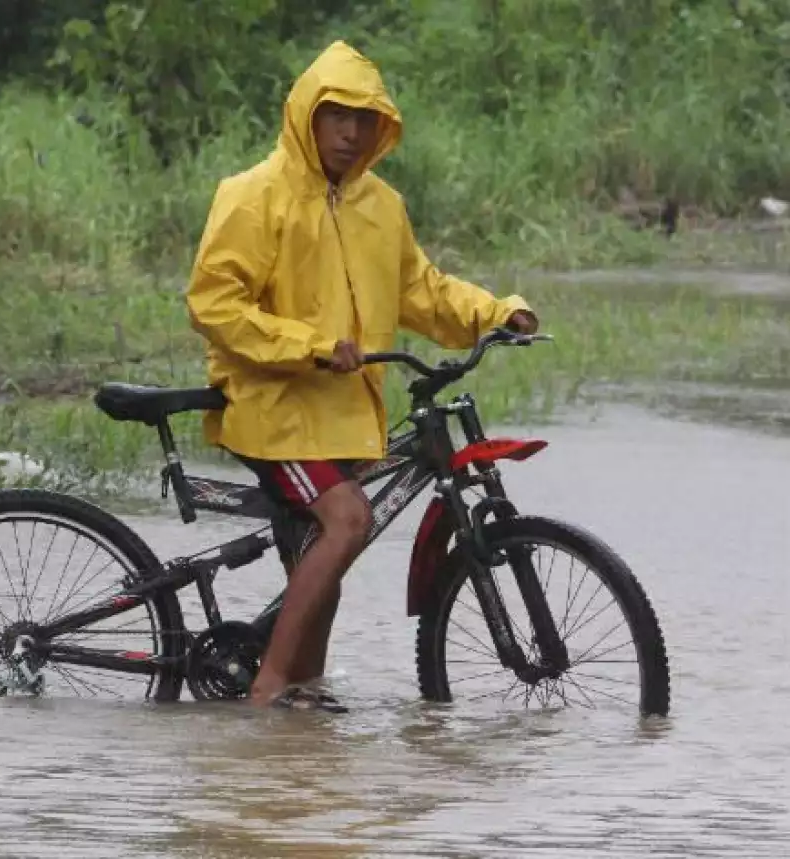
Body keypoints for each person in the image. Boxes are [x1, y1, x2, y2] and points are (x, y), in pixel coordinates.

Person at [184, 40, 539, 711]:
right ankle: (266, 695)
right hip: (274, 408)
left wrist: (498, 312)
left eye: (365, 118)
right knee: (348, 520)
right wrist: (311, 346)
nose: (351, 131)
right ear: (307, 117)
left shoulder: (382, 207)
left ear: (383, 127)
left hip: (339, 413)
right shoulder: (254, 196)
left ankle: (301, 697)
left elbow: (422, 291)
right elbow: (215, 304)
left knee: (324, 555)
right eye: (336, 115)